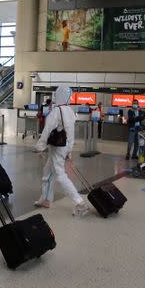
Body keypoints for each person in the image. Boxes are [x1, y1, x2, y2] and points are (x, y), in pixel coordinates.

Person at [34, 86, 90, 216]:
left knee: (60, 175)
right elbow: (70, 134)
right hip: (64, 147)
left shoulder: (56, 111)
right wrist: (68, 151)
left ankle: (80, 202)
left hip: (56, 148)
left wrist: (39, 147)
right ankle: (46, 199)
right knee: (47, 173)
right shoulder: (70, 111)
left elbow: (47, 131)